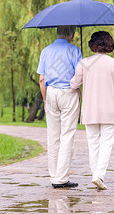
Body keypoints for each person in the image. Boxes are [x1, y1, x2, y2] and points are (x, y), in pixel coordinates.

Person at [70, 31, 114, 190]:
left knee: (93, 144)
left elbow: (74, 84)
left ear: (93, 44)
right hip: (110, 110)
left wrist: (78, 69)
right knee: (106, 144)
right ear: (109, 44)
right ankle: (98, 175)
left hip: (90, 111)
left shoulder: (84, 63)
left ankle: (96, 174)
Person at [37, 25, 82, 188]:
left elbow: (42, 79)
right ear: (72, 34)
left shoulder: (45, 51)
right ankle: (61, 178)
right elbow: (79, 75)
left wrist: (45, 100)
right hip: (68, 92)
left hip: (51, 93)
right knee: (67, 135)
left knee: (53, 135)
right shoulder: (75, 50)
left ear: (57, 33)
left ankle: (54, 175)